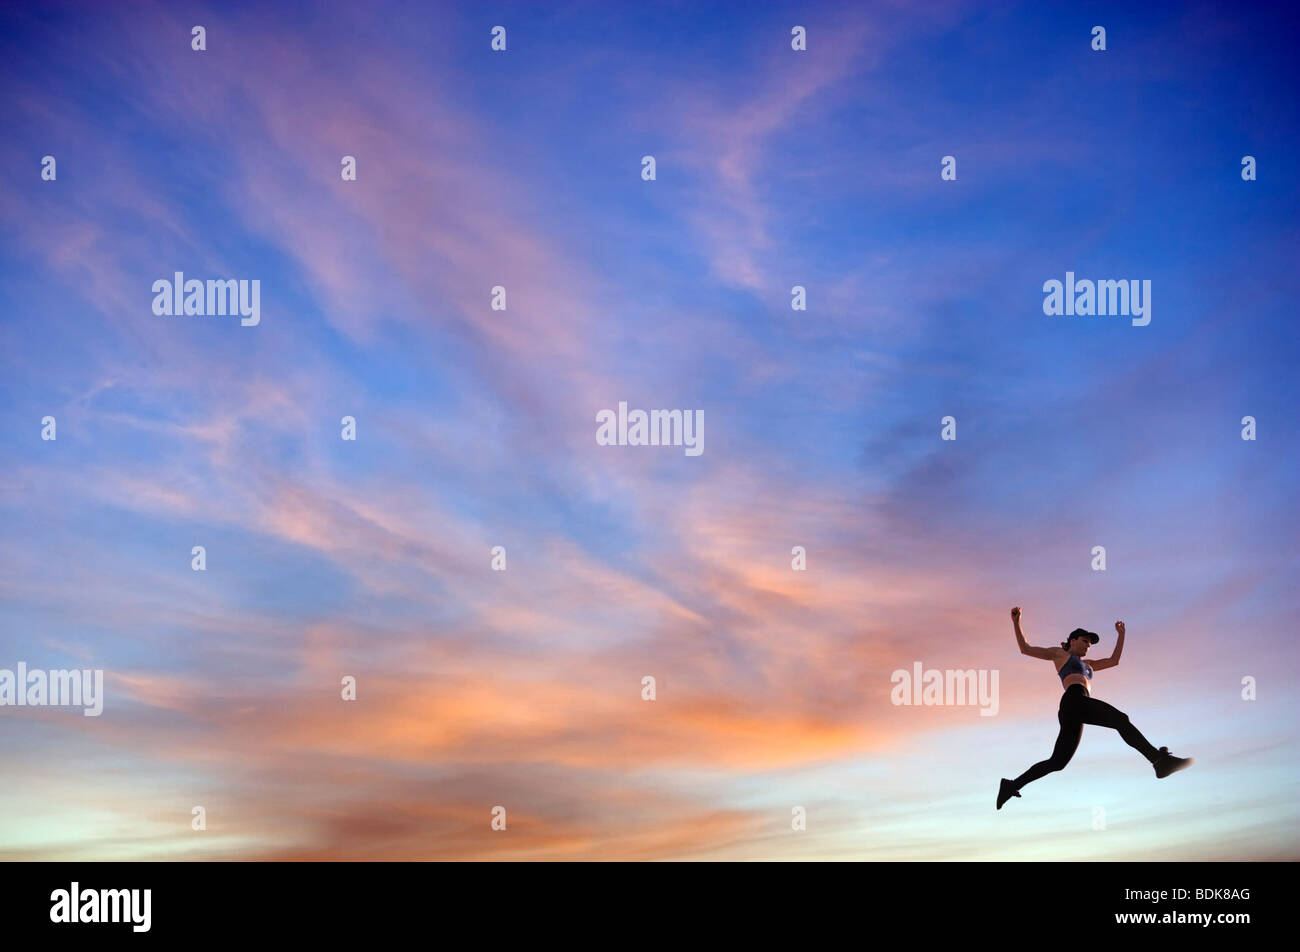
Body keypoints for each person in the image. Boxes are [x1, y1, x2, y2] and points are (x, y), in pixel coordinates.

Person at [997, 606, 1192, 809]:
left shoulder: (1089, 665)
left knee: (1058, 762)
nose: (1088, 646)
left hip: (1076, 708)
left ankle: (1011, 785)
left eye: (1090, 643)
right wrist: (1016, 621)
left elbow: (1113, 661)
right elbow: (1025, 649)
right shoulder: (1060, 654)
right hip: (1073, 700)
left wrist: (1121, 636)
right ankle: (1158, 761)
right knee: (1121, 720)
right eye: (1084, 641)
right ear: (1072, 640)